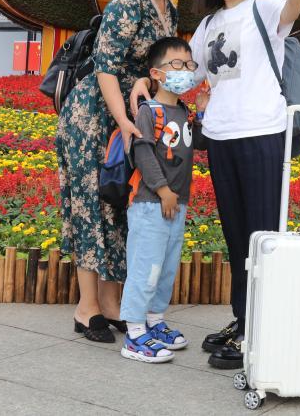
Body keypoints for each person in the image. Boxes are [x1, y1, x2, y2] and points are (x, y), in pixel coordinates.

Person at [132, 0, 300, 370]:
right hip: (222, 138)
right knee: (236, 237)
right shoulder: (208, 26)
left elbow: (293, 9)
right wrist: (146, 83)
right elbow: (189, 76)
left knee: (263, 234)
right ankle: (243, 319)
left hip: (263, 132)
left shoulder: (265, 7)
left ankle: (261, 332)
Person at [55, 0, 184, 342]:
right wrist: (125, 121)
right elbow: (106, 68)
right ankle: (86, 307)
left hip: (136, 116)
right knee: (93, 203)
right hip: (96, 116)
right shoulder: (128, 3)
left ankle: (111, 304)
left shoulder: (169, 6)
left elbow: (157, 67)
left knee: (119, 207)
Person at [120, 37, 206, 363]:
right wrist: (162, 189)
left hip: (176, 205)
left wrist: (205, 109)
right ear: (156, 73)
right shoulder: (149, 111)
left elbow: (198, 143)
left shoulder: (183, 111)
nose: (185, 71)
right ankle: (134, 332)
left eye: (189, 65)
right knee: (147, 267)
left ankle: (154, 321)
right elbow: (141, 151)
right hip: (151, 204)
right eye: (178, 65)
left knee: (166, 268)